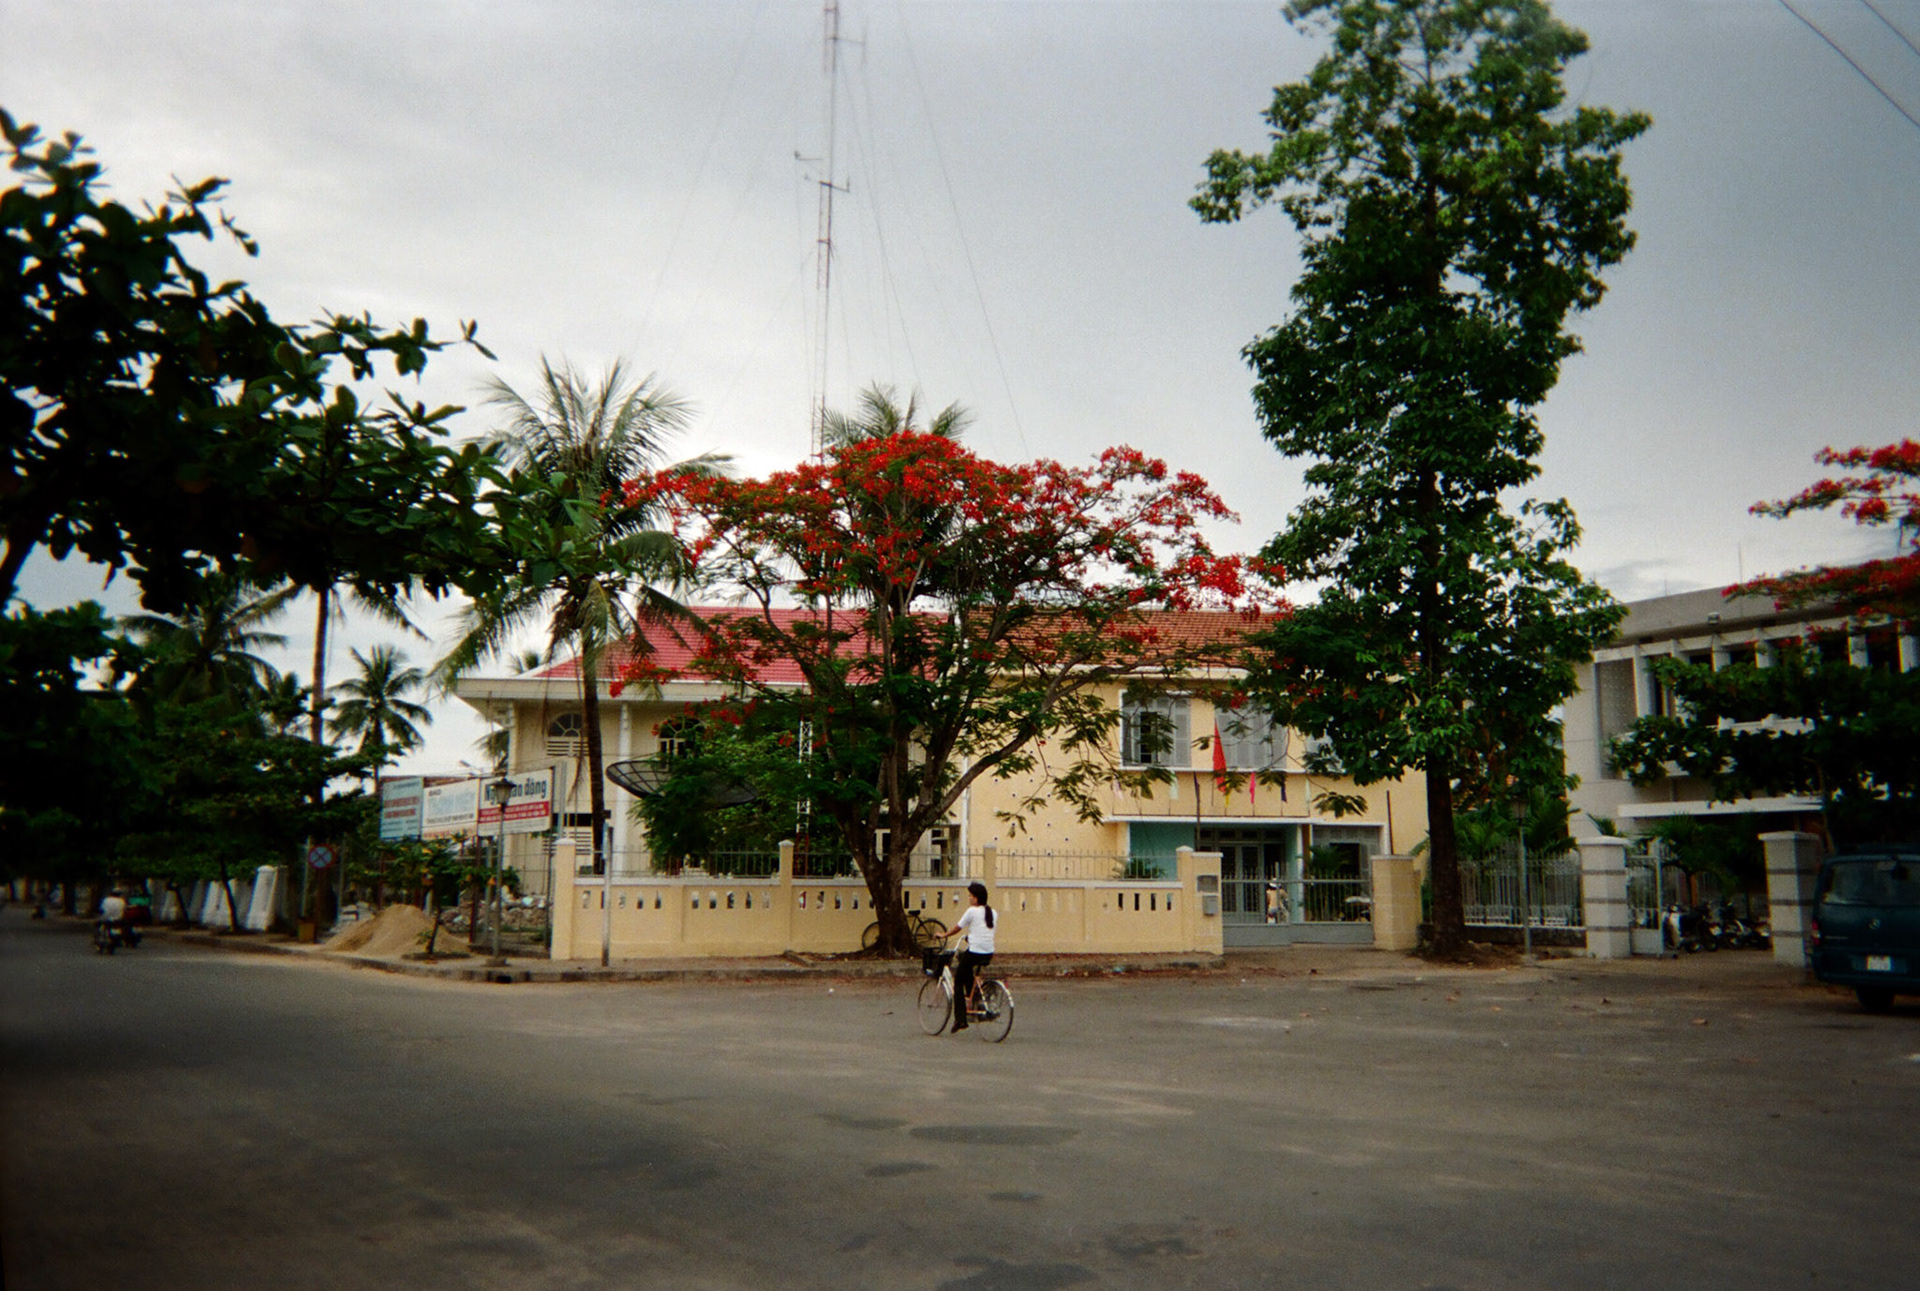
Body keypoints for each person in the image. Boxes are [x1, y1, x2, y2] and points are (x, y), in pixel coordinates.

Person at [942, 882, 996, 1033]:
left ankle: (960, 1019)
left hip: (975, 952)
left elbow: (957, 928)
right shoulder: (992, 912)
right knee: (965, 965)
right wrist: (970, 937)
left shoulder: (972, 911)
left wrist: (944, 935)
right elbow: (983, 931)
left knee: (958, 982)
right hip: (988, 952)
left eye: (971, 896)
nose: (969, 898)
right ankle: (973, 998)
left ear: (976, 898)